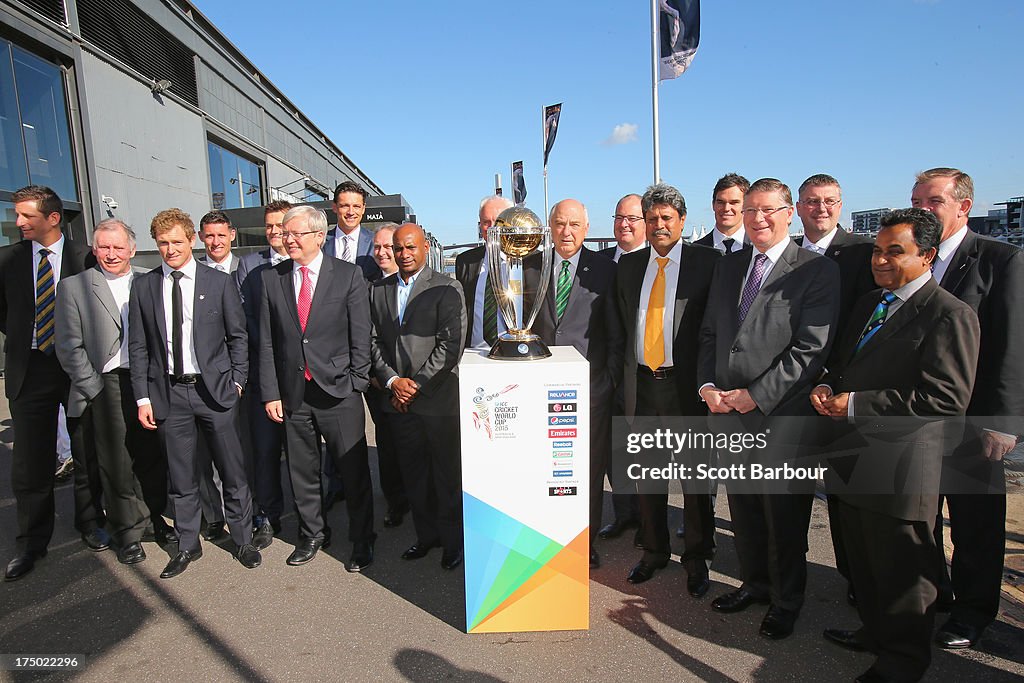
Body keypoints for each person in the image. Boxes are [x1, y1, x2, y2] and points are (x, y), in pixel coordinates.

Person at [813, 208, 981, 683]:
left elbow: (946, 399)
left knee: (902, 571)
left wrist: (856, 404)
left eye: (895, 252)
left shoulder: (950, 315)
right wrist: (826, 385)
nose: (881, 261)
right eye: (877, 251)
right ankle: (875, 631)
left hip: (901, 468)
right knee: (863, 561)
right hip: (852, 457)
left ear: (927, 256)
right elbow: (844, 364)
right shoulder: (871, 302)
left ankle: (903, 662)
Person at [698, 178, 839, 640]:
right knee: (744, 510)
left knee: (784, 516)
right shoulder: (730, 265)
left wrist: (756, 394)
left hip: (782, 415)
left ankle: (786, 601)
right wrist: (708, 386)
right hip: (728, 412)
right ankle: (754, 584)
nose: (757, 218)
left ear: (789, 213)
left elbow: (809, 350)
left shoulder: (815, 271)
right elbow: (712, 335)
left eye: (768, 210)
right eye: (751, 210)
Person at [910, 167, 1024, 649]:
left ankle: (975, 613)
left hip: (973, 421)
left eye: (932, 201)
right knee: (920, 517)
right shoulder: (914, 260)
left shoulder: (1001, 260)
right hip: (916, 417)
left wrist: (1002, 423)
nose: (922, 210)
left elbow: (1011, 347)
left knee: (976, 523)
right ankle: (935, 598)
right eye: (916, 201)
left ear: (964, 207)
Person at [129, 208, 259, 579]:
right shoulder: (145, 286)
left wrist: (237, 382)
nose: (169, 249)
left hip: (215, 392)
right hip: (169, 394)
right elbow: (139, 347)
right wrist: (143, 398)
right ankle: (188, 545)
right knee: (182, 475)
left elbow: (238, 336)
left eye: (176, 242)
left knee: (232, 470)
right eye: (163, 243)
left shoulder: (217, 283)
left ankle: (244, 539)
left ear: (192, 241)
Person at [614, 184, 719, 595]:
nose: (659, 225)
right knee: (648, 476)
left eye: (667, 218)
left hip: (686, 387)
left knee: (695, 481)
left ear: (682, 220)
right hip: (642, 385)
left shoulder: (708, 263)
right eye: (652, 218)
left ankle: (697, 558)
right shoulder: (629, 265)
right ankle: (654, 551)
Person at [259, 206, 375, 570]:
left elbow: (361, 334)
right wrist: (271, 392)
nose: (287, 239)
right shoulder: (271, 278)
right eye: (284, 234)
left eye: (295, 234)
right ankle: (312, 533)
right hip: (293, 393)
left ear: (318, 236)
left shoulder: (348, 275)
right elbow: (266, 341)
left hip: (339, 391)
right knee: (302, 471)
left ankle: (361, 539)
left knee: (352, 470)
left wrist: (356, 381)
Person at [55, 219, 172, 565]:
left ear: (132, 250)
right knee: (116, 463)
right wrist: (93, 387)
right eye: (103, 247)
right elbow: (68, 346)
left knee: (149, 455)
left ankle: (152, 519)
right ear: (94, 249)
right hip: (104, 383)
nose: (110, 254)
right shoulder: (74, 287)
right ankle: (127, 532)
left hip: (146, 382)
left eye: (118, 247)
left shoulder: (149, 281)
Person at [1, 185, 99, 582]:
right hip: (31, 370)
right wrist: (30, 334)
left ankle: (90, 524)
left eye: (27, 216)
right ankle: (31, 542)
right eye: (17, 215)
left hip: (75, 366)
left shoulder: (87, 257)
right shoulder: (7, 260)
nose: (19, 222)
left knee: (86, 451)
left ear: (53, 218)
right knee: (30, 463)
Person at [794, 173, 875, 604]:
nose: (820, 208)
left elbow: (867, 328)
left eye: (829, 201)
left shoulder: (863, 256)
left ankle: (856, 582)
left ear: (841, 205)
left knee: (845, 498)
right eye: (811, 201)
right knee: (789, 494)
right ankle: (791, 569)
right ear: (798, 207)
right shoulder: (783, 254)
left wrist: (832, 380)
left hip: (839, 397)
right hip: (789, 394)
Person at [529, 200, 622, 569]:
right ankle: (545, 535)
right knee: (545, 467)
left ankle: (585, 540)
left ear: (586, 228)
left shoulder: (605, 270)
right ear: (549, 228)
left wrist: (607, 381)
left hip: (590, 390)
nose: (566, 232)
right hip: (539, 388)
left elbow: (616, 333)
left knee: (586, 468)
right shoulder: (531, 266)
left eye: (573, 225)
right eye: (559, 224)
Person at [369, 224, 467, 569]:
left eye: (411, 247)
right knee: (414, 474)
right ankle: (426, 537)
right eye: (398, 249)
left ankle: (453, 542)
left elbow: (450, 345)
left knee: (446, 474)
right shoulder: (378, 290)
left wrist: (416, 385)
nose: (404, 254)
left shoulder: (446, 286)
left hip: (438, 401)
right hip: (398, 402)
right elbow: (373, 342)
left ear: (425, 247)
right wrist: (394, 381)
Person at [235, 200, 292, 549]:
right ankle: (267, 516)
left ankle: (310, 517)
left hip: (303, 377)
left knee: (303, 454)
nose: (273, 232)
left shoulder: (305, 263)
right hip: (264, 374)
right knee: (265, 452)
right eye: (269, 226)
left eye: (280, 226)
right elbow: (246, 319)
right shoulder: (249, 266)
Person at [195, 210, 241, 542]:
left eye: (221, 235)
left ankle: (245, 515)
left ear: (232, 235)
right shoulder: (191, 273)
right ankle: (212, 514)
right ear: (200, 237)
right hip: (199, 379)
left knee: (237, 452)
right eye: (209, 236)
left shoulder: (250, 269)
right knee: (203, 458)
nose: (215, 242)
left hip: (235, 377)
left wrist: (240, 377)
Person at [366, 222, 409, 527]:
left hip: (418, 385)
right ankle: (395, 501)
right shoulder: (367, 286)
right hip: (381, 383)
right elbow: (364, 336)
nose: (382, 252)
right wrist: (382, 377)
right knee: (389, 447)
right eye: (377, 247)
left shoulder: (421, 283)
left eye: (388, 246)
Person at [455, 195, 514, 349]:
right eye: (486, 222)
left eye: (498, 222)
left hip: (514, 352)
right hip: (474, 353)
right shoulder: (465, 261)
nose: (492, 228)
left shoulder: (528, 262)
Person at [324, 181, 381, 281]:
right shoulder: (321, 241)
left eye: (356, 206)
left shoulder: (376, 242)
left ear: (363, 209)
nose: (351, 212)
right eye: (345, 206)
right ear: (334, 207)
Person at [694, 173, 749, 254]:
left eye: (734, 203)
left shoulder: (758, 247)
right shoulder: (695, 251)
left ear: (746, 206)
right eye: (721, 202)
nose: (726, 208)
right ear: (713, 204)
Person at [599, 194, 647, 261]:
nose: (623, 224)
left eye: (632, 218)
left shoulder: (657, 263)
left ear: (646, 222)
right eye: (619, 218)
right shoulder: (596, 261)